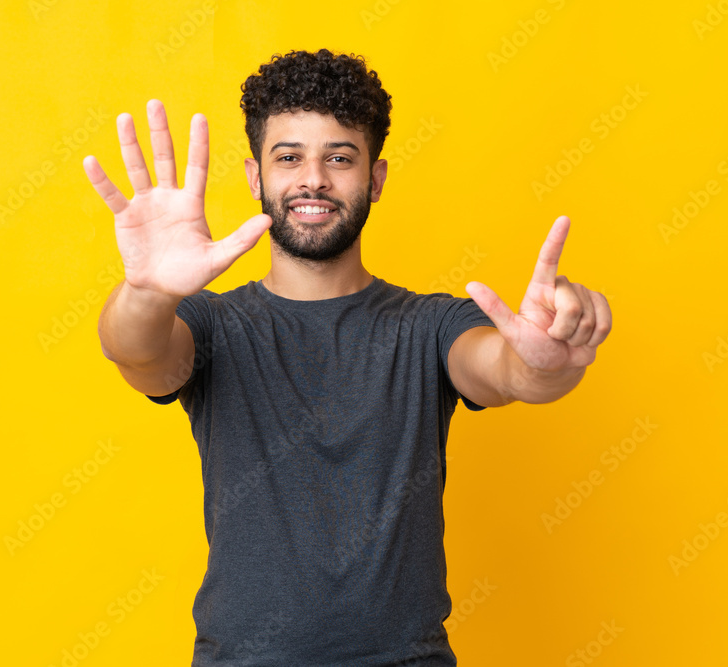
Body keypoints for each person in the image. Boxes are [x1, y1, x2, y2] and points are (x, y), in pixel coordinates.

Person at [83, 48, 611, 666]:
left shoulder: (431, 325)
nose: (313, 179)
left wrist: (547, 363)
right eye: (289, 158)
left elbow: (508, 370)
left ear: (376, 179)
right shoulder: (212, 325)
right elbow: (136, 352)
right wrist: (149, 292)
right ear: (255, 177)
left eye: (339, 157)